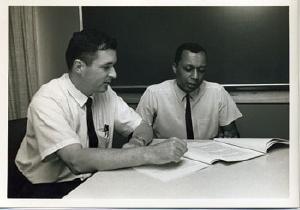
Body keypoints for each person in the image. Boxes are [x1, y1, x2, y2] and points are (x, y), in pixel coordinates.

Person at [15, 29, 187, 198]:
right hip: (47, 188)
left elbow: (143, 126)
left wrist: (136, 141)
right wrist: (150, 153)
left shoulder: (105, 92)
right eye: (106, 67)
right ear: (79, 67)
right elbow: (76, 161)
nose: (114, 74)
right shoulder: (47, 99)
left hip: (94, 178)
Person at [136, 42, 242, 140]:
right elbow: (137, 134)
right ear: (175, 67)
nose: (195, 76)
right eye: (188, 69)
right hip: (167, 156)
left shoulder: (217, 92)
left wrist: (228, 140)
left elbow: (232, 135)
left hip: (206, 156)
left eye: (201, 70)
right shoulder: (154, 94)